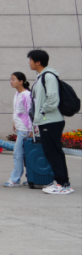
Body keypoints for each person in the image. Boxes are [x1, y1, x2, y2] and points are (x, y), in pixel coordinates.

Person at [29, 49, 73, 194]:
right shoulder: (42, 77)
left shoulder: (48, 76)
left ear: (38, 62)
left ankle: (62, 184)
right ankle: (62, 182)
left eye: (31, 60)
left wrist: (42, 111)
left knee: (53, 152)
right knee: (53, 152)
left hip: (51, 121)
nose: (29, 63)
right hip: (47, 121)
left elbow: (53, 99)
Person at [4, 71, 33, 188]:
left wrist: (31, 129)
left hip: (25, 129)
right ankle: (31, 178)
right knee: (25, 155)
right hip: (20, 128)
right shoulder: (17, 94)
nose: (11, 82)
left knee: (18, 154)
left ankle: (15, 179)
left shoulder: (27, 95)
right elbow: (18, 111)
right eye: (11, 79)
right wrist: (14, 122)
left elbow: (30, 113)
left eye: (13, 79)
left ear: (21, 81)